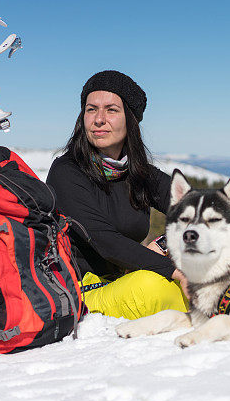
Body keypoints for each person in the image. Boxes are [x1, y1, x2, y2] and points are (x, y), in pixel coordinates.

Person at [46, 70, 189, 320]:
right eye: (91, 109)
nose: (99, 119)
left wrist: (167, 243)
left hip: (126, 279)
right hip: (82, 291)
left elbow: (194, 207)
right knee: (153, 287)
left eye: (111, 110)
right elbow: (106, 242)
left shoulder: (139, 173)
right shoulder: (67, 172)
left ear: (130, 120)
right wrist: (175, 270)